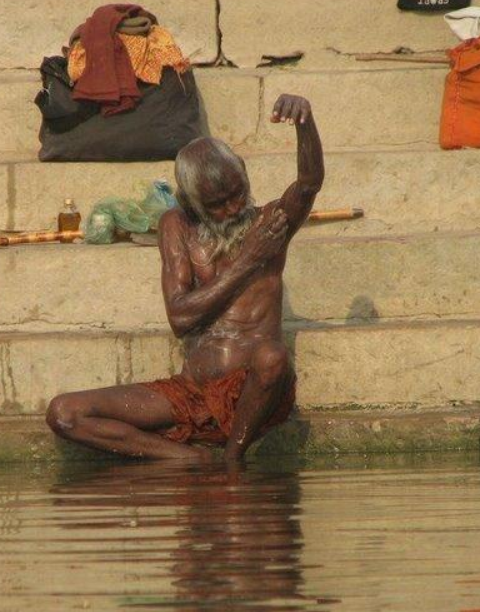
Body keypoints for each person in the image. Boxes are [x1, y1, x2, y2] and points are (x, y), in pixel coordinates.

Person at [46, 94, 324, 462]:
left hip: (253, 394)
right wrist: (249, 259)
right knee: (64, 413)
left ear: (243, 173)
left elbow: (308, 183)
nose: (232, 209)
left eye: (237, 194)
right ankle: (189, 460)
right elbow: (180, 318)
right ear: (191, 202)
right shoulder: (176, 225)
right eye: (217, 204)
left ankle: (231, 458)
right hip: (190, 391)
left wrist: (305, 122)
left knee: (273, 357)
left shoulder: (268, 224)